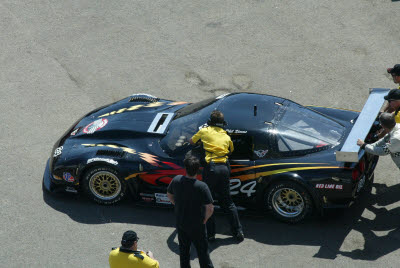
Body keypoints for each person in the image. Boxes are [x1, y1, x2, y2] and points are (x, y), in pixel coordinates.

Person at [189, 110, 244, 242]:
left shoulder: (204, 131)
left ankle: (211, 234)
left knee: (208, 202)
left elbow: (191, 142)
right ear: (223, 123)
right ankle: (238, 232)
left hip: (211, 169)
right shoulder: (226, 135)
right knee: (228, 202)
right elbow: (231, 151)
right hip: (224, 169)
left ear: (209, 121)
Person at [167, 156, 214, 268]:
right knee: (203, 253)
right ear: (198, 169)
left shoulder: (176, 180)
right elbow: (210, 208)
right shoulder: (202, 186)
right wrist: (205, 219)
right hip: (197, 225)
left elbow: (169, 194)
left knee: (184, 252)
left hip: (181, 223)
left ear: (185, 168)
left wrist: (176, 204)